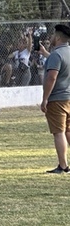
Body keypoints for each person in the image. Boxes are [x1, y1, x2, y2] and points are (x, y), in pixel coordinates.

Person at [40, 24, 70, 174]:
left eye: (53, 35)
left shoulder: (56, 55)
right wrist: (46, 54)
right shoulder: (66, 52)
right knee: (68, 131)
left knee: (59, 132)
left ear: (57, 37)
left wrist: (45, 99)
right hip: (69, 97)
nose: (51, 38)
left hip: (57, 98)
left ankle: (63, 166)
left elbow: (52, 77)